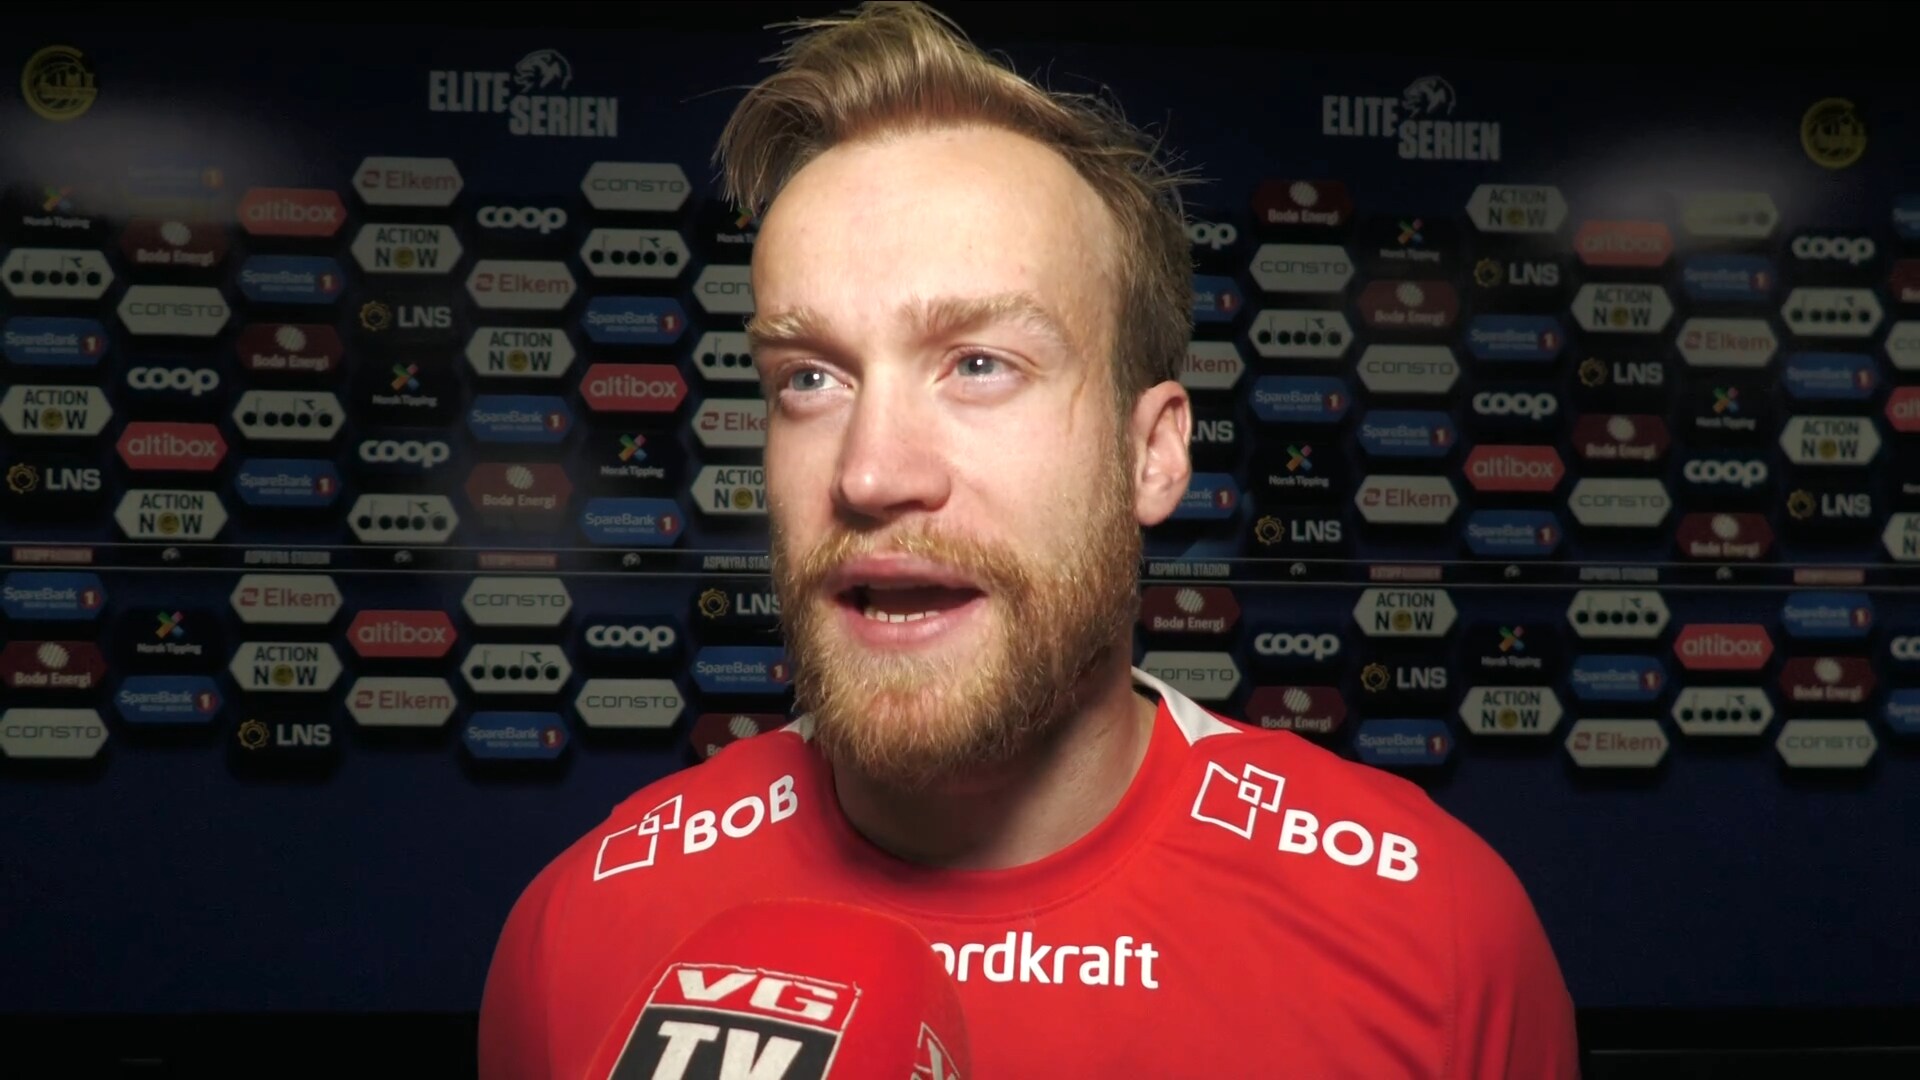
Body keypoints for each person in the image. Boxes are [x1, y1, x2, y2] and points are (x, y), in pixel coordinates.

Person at [478, 3, 1582, 1076]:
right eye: (809, 378)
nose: (871, 474)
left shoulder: (1433, 938)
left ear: (1153, 453)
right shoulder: (581, 936)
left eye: (978, 365)